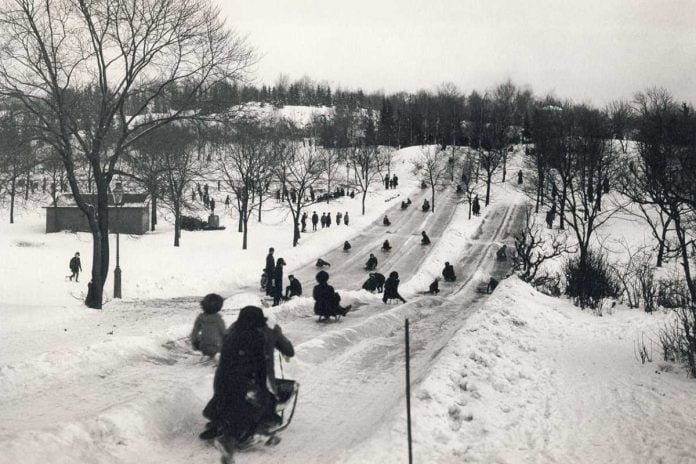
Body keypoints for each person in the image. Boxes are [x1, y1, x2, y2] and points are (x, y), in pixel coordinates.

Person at [200, 306, 294, 447]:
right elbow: (287, 352)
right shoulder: (267, 332)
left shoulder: (232, 330)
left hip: (223, 380)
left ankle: (221, 424)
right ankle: (255, 431)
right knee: (261, 401)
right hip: (253, 380)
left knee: (230, 398)